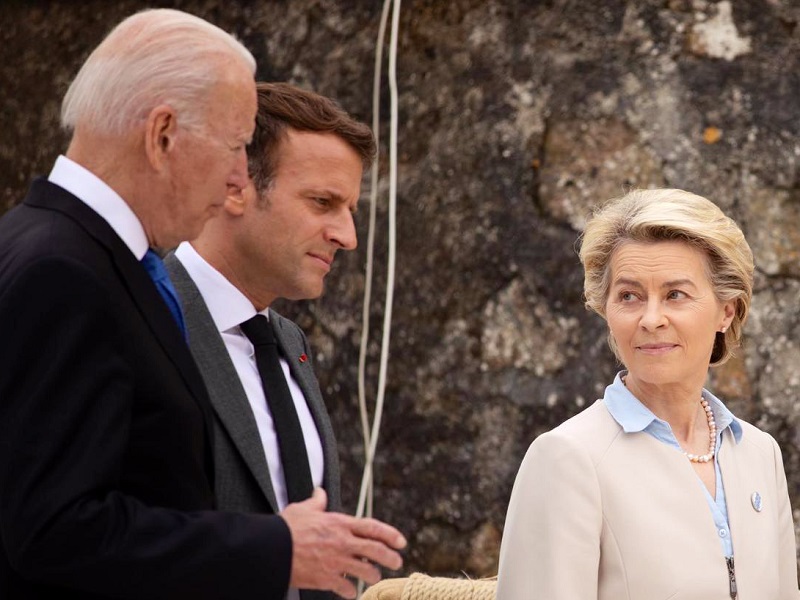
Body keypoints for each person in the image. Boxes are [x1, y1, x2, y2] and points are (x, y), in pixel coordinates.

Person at [0, 10, 404, 600]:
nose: (238, 175)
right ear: (163, 134)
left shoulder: (60, 253)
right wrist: (274, 549)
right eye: (235, 145)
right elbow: (52, 530)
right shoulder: (63, 270)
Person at [497, 188, 798, 599]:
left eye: (675, 294)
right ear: (606, 309)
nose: (651, 319)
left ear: (726, 312)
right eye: (629, 296)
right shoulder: (567, 458)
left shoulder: (760, 454)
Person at [164, 81, 379, 600]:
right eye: (322, 202)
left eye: (349, 209)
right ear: (235, 186)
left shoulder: (285, 341)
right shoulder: (142, 319)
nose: (347, 236)